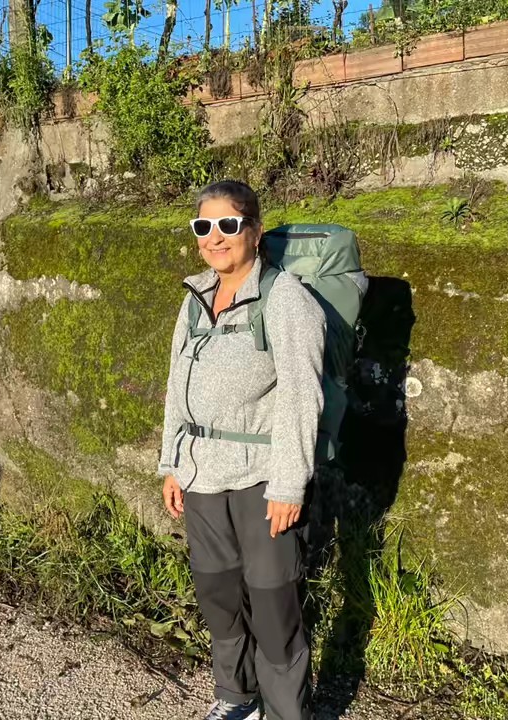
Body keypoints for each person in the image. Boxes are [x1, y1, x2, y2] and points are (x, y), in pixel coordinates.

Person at [159, 180, 326, 720]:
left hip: (261, 479)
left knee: (273, 604)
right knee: (219, 597)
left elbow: (302, 395)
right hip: (201, 476)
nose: (214, 237)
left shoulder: (286, 299)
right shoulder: (195, 298)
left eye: (228, 225)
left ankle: (285, 713)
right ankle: (237, 699)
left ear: (254, 231)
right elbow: (176, 386)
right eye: (203, 226)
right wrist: (171, 464)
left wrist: (289, 485)